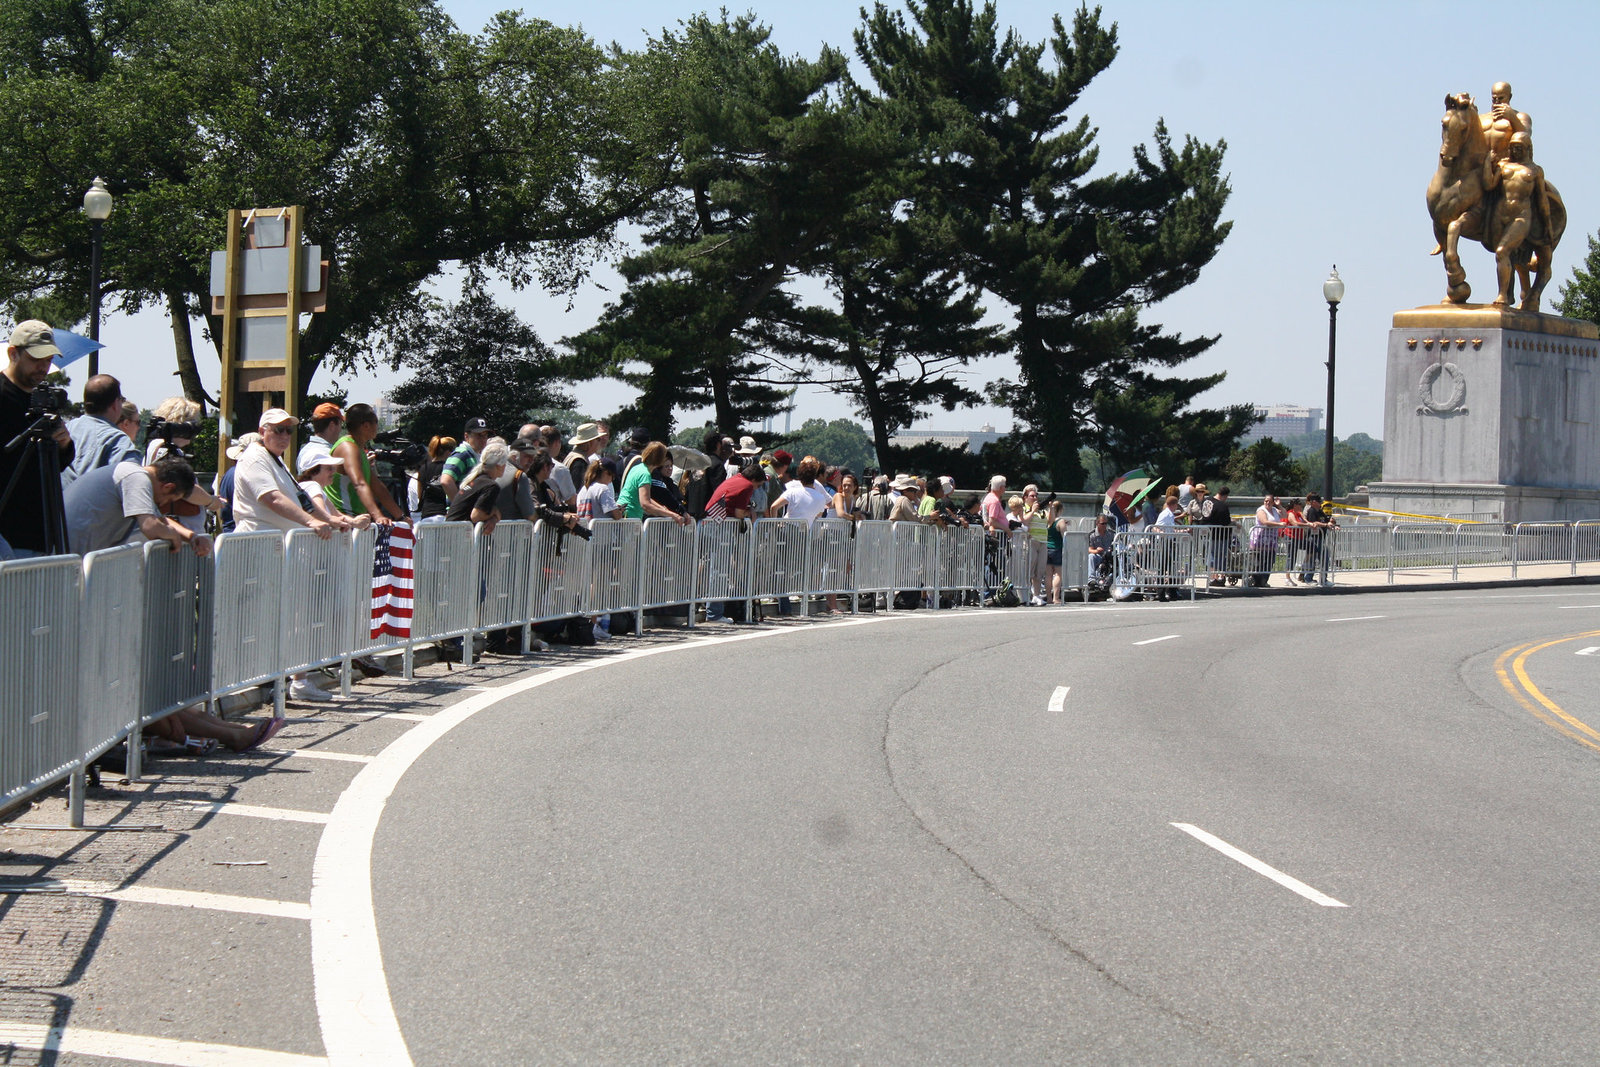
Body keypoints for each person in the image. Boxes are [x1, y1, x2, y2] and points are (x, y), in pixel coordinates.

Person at [231, 408, 335, 702]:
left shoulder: (275, 460)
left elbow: (298, 498)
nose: (284, 436)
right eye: (278, 429)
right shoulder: (254, 458)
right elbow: (271, 498)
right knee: (267, 617)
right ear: (263, 430)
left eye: (288, 430)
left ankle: (295, 679)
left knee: (292, 614)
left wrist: (333, 521)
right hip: (260, 549)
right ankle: (261, 678)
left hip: (280, 549)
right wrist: (313, 522)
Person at [0, 320, 73, 558]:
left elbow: (53, 466)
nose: (43, 367)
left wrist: (63, 445)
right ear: (13, 353)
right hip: (7, 532)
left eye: (48, 359)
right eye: (36, 359)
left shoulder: (44, 402)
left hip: (42, 533)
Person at [65, 453, 211, 557]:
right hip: (62, 553)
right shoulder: (135, 477)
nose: (164, 504)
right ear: (168, 487)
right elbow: (151, 527)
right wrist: (172, 536)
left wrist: (192, 538)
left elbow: (161, 520)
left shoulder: (138, 477)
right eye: (170, 500)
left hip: (71, 555)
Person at [326, 403, 406, 524]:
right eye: (376, 422)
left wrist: (401, 517)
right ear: (366, 425)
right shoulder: (348, 447)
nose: (377, 427)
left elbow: (376, 486)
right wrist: (378, 516)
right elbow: (359, 484)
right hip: (344, 519)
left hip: (357, 519)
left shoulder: (358, 448)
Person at [62, 374, 139, 487]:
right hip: (95, 503)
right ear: (114, 404)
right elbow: (133, 483)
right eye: (121, 400)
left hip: (58, 503)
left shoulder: (65, 430)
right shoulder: (117, 440)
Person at [297, 453, 374, 532]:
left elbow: (336, 515)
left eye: (333, 468)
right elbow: (322, 515)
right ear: (313, 471)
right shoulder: (312, 486)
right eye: (329, 468)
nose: (334, 472)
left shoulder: (315, 489)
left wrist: (355, 522)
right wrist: (354, 523)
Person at [619, 441, 690, 525]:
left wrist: (663, 510)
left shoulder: (638, 468)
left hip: (625, 515)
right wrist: (673, 515)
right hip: (629, 518)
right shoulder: (645, 474)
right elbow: (645, 504)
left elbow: (645, 498)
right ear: (659, 459)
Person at [446, 440, 508, 532]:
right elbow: (476, 516)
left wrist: (493, 519)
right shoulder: (490, 486)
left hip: (449, 533)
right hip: (459, 536)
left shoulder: (476, 480)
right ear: (499, 465)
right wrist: (495, 512)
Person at [768, 456, 832, 523]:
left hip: (788, 528)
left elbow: (774, 507)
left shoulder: (792, 492)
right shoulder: (821, 498)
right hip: (806, 530)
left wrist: (774, 525)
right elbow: (819, 514)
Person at [439, 417, 489, 503]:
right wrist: (460, 506)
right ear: (466, 436)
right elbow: (446, 481)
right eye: (479, 435)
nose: (484, 439)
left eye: (486, 435)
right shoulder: (462, 454)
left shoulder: (475, 455)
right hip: (462, 515)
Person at [414, 435, 456, 525]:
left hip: (426, 514)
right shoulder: (448, 469)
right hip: (444, 514)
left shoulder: (423, 468)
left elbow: (420, 494)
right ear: (448, 452)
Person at [1199, 485, 1235, 584]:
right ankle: (1219, 577)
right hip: (1219, 535)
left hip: (1206, 533)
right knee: (1219, 556)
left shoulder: (1206, 501)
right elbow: (1226, 521)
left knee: (1210, 555)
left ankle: (1211, 576)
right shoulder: (1222, 506)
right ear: (1225, 495)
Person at [1249, 493, 1284, 588]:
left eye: (1269, 501)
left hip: (1272, 540)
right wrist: (1279, 525)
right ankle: (1256, 580)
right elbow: (1264, 522)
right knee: (1259, 560)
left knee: (1270, 560)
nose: (1267, 503)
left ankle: (1264, 580)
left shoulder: (1274, 510)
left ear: (1273, 502)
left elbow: (1285, 514)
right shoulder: (1261, 510)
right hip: (1260, 539)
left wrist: (1279, 505)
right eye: (1265, 501)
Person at [576, 457, 623, 526]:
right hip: (600, 534)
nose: (611, 480)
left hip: (584, 532)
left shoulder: (584, 489)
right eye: (612, 477)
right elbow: (616, 516)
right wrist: (619, 511)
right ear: (606, 473)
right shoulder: (603, 488)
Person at [1300, 491, 1334, 584]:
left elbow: (1326, 521)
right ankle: (1308, 578)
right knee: (1312, 558)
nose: (1320, 503)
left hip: (1321, 538)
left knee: (1325, 558)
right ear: (1313, 502)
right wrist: (1326, 524)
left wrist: (1332, 522)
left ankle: (1324, 579)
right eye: (1318, 501)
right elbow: (1314, 523)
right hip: (1313, 538)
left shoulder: (1320, 511)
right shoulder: (1311, 511)